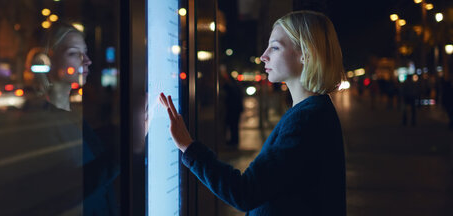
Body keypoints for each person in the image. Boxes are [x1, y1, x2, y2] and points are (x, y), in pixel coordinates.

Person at [159, 11, 346, 215]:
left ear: (306, 54)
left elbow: (245, 192)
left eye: (275, 47)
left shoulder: (306, 119)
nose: (263, 56)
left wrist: (188, 147)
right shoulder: (313, 111)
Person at [35, 23, 119, 215]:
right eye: (74, 53)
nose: (87, 61)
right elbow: (67, 188)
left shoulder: (73, 115)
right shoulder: (42, 123)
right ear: (49, 61)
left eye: (85, 52)